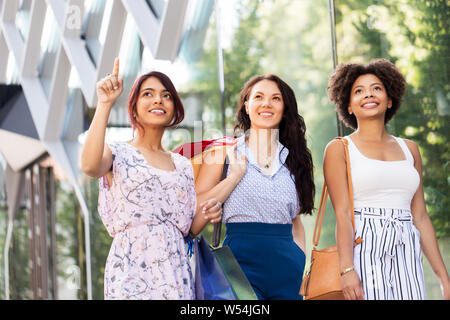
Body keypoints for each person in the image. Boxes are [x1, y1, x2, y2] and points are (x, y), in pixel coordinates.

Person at [80, 58, 222, 300]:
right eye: (148, 94)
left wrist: (207, 215)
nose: (158, 99)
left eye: (166, 95)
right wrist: (104, 104)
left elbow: (186, 231)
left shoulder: (182, 165)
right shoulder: (118, 153)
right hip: (131, 274)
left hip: (176, 274)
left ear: (175, 109)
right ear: (134, 107)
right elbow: (90, 166)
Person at [324, 58, 450, 300]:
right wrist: (347, 269)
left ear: (389, 99)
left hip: (406, 243)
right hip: (364, 243)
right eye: (358, 91)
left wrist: (444, 278)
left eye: (376, 88)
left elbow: (421, 217)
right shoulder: (339, 148)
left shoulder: (410, 149)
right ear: (348, 105)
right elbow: (342, 214)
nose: (368, 95)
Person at [193, 74, 315, 300]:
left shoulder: (293, 161)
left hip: (288, 271)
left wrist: (300, 256)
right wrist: (234, 177)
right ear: (247, 106)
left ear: (285, 108)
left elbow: (296, 220)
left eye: (275, 98)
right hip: (238, 267)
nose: (266, 103)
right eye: (258, 97)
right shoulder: (224, 155)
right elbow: (194, 215)